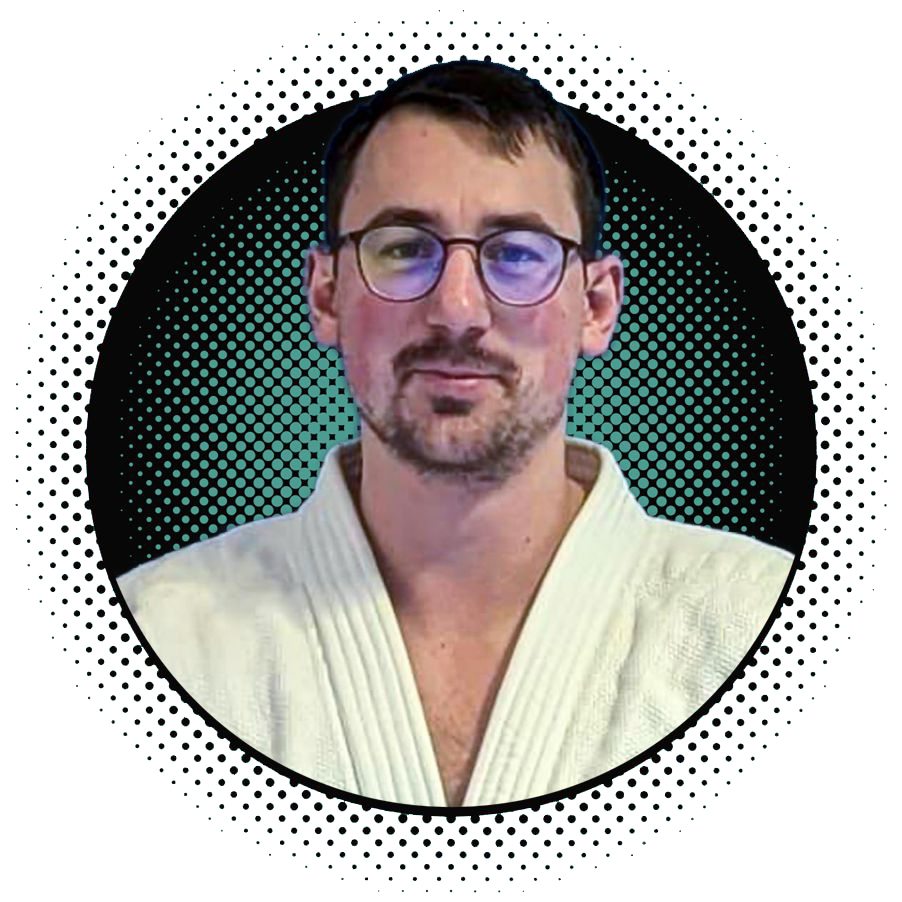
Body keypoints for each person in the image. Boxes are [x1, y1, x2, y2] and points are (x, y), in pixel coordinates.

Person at [117, 61, 793, 809]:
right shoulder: (156, 638)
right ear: (326, 295)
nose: (458, 311)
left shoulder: (764, 626)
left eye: (517, 252)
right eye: (405, 248)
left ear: (597, 306)